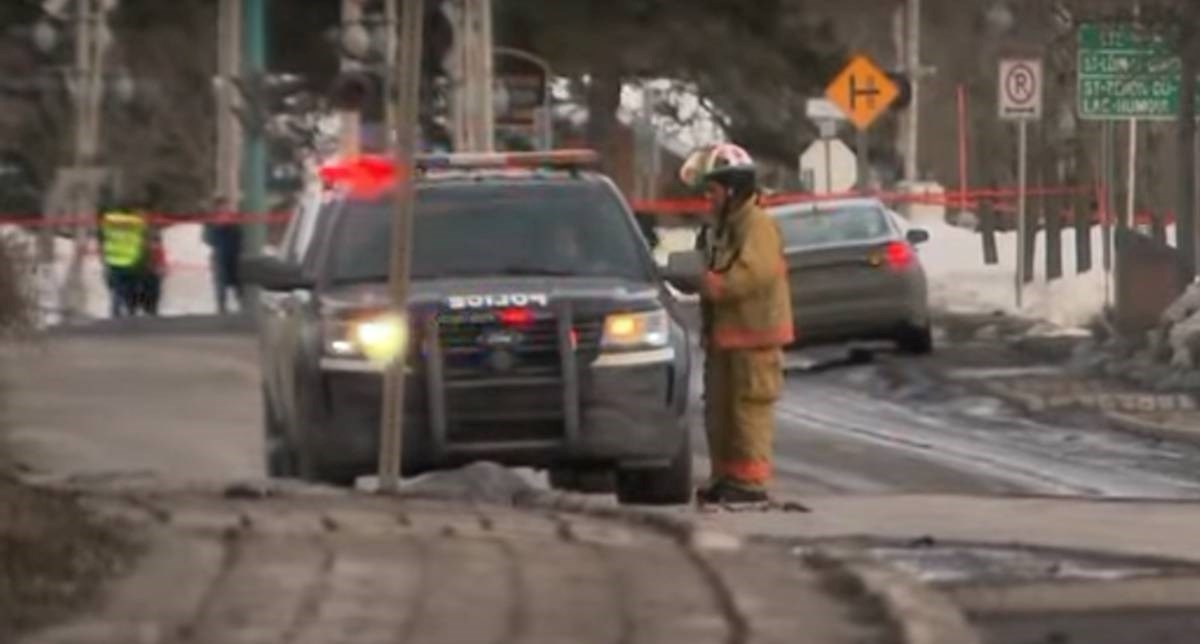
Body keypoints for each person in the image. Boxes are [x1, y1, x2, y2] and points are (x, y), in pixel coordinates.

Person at [680, 143, 794, 504]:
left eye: (711, 191)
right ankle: (727, 478)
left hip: (754, 341)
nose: (707, 199)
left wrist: (713, 284)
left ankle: (749, 485)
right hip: (727, 341)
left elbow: (754, 274)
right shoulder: (726, 227)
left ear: (731, 190)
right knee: (721, 414)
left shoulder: (757, 225)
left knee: (748, 413)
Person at [96, 207, 150, 318]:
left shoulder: (110, 225)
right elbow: (143, 224)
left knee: (117, 289)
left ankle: (116, 311)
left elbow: (105, 221)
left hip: (113, 261)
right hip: (131, 261)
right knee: (131, 288)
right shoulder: (136, 226)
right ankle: (130, 310)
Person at [204, 196, 244, 314]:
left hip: (235, 254)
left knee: (239, 281)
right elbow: (208, 239)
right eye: (221, 207)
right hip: (220, 255)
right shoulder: (211, 220)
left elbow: (241, 235)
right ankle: (222, 307)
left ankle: (242, 305)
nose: (223, 209)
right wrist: (218, 228)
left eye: (225, 206)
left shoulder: (234, 218)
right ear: (216, 208)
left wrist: (232, 225)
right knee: (220, 282)